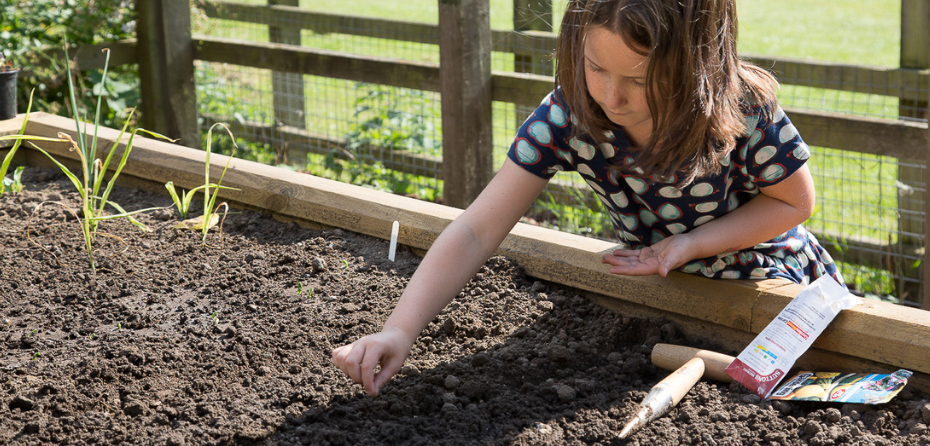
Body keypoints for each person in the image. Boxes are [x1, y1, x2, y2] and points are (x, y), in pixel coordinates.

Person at [332, 0, 845, 396]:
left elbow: (793, 204)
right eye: (595, 68)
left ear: (699, 64)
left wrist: (691, 243)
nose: (611, 96)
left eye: (639, 81)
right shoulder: (569, 115)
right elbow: (476, 229)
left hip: (772, 298)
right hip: (657, 300)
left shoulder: (743, 107)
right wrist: (399, 330)